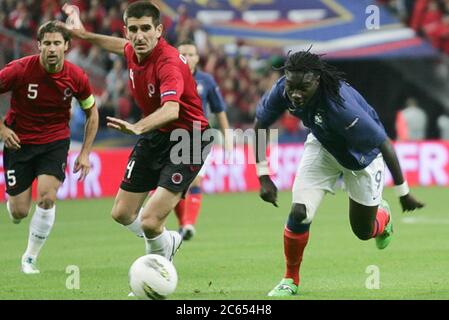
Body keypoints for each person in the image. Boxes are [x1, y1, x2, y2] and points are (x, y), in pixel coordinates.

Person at [254, 49, 425, 296]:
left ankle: (383, 217)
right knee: (299, 211)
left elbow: (384, 143)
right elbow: (260, 125)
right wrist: (263, 175)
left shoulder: (341, 107)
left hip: (362, 160)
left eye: (303, 87)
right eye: (292, 86)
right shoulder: (285, 89)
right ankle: (290, 280)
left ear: (317, 80)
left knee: (363, 232)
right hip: (323, 147)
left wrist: (404, 192)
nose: (295, 94)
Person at [62, 1, 211, 263]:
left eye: (145, 29)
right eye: (133, 29)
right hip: (156, 134)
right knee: (121, 213)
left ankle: (154, 274)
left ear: (159, 30)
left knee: (151, 221)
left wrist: (137, 126)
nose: (139, 35)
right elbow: (120, 46)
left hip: (189, 138)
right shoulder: (134, 49)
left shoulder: (168, 63)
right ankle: (168, 242)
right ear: (126, 30)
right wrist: (84, 35)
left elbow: (171, 110)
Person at [0, 21, 99, 274]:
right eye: (47, 43)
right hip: (18, 142)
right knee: (19, 211)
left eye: (57, 43)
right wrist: (2, 129)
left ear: (66, 46)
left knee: (46, 196)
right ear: (39, 45)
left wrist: (85, 152)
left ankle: (30, 258)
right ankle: (14, 207)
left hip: (54, 141)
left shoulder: (76, 76)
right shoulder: (20, 70)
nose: (52, 49)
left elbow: (92, 112)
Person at [176, 40, 231, 240]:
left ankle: (189, 224)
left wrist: (228, 138)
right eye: (183, 54)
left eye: (191, 54)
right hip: (173, 137)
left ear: (198, 58)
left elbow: (219, 110)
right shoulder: (169, 77)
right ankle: (184, 223)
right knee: (178, 183)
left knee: (195, 179)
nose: (187, 58)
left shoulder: (206, 81)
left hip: (201, 136)